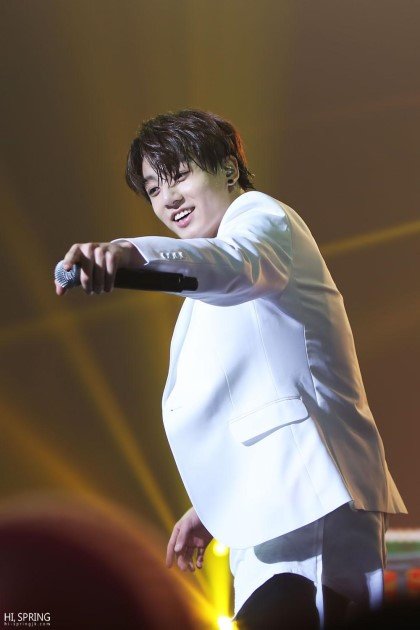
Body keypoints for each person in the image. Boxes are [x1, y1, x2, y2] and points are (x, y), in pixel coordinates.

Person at [55, 109, 407, 629]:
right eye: (153, 189)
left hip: (307, 498)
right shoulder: (203, 287)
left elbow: (238, 263)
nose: (168, 199)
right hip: (269, 516)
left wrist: (130, 253)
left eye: (179, 175)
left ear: (228, 168)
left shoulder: (260, 218)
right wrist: (212, 505)